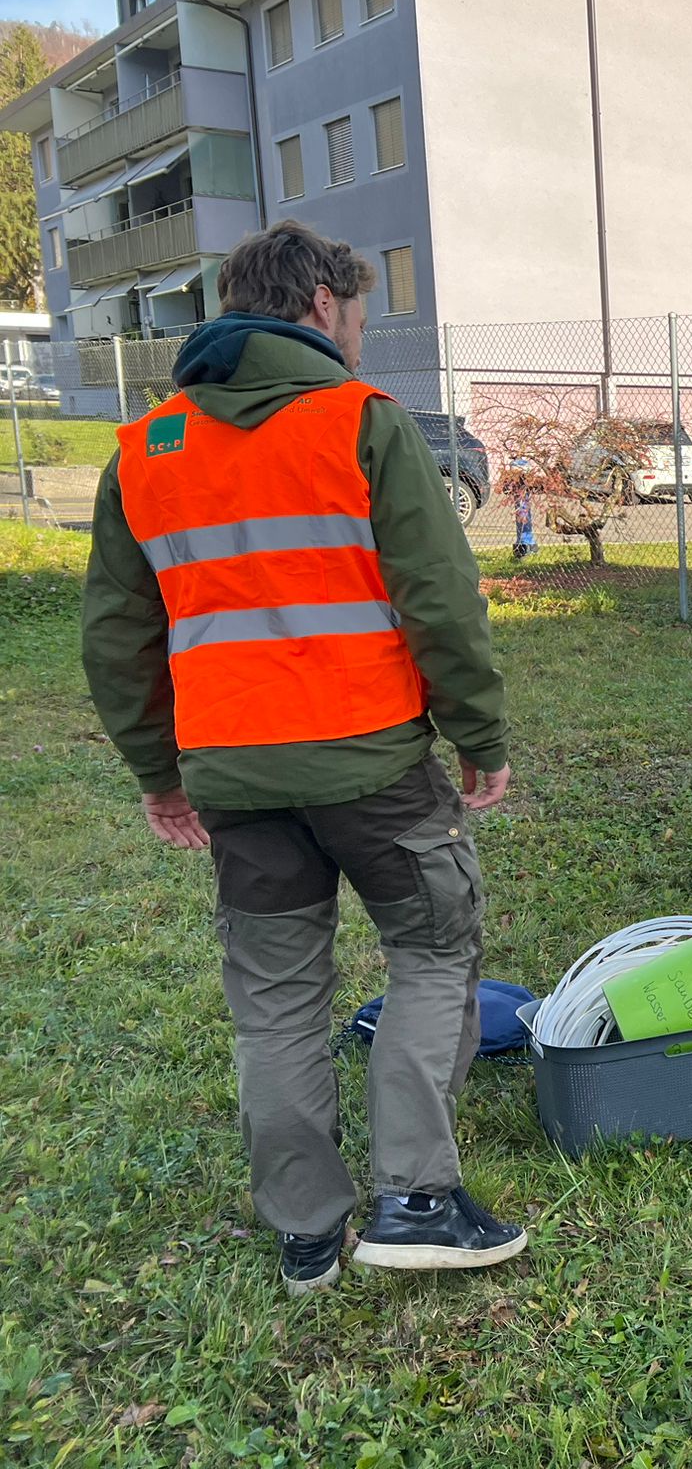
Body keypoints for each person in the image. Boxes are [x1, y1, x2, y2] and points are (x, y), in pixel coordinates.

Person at [80, 221, 525, 1295]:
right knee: (430, 952)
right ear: (321, 304)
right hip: (373, 767)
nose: (361, 340)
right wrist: (479, 734)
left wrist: (158, 773)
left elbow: (113, 637)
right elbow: (441, 597)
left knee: (275, 1001)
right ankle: (416, 1199)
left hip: (232, 778)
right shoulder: (360, 422)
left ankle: (306, 1234)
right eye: (360, 318)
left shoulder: (146, 449)